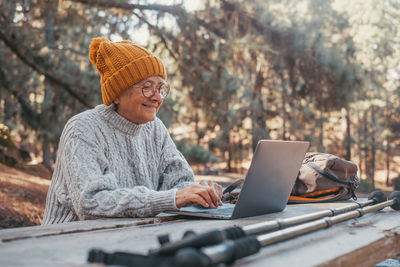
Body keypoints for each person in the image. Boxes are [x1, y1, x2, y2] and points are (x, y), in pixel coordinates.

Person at [42, 37, 222, 224]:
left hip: (132, 234)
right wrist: (171, 199)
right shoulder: (83, 128)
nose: (157, 97)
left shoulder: (155, 129)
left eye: (161, 88)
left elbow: (180, 181)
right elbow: (92, 203)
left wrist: (199, 193)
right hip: (70, 240)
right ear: (117, 94)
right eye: (147, 87)